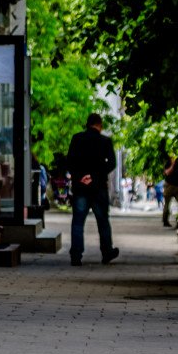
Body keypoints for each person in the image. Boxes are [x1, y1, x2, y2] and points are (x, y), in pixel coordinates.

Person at [66, 113, 119, 266]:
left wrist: (80, 176)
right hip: (98, 188)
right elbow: (112, 163)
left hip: (80, 187)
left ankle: (76, 255)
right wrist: (94, 177)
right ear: (99, 125)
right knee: (102, 221)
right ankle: (107, 252)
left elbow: (69, 161)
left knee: (77, 222)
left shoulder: (77, 139)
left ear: (87, 124)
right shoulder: (105, 141)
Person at [162, 157, 178, 227]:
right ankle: (165, 220)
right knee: (167, 204)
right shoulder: (168, 163)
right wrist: (172, 165)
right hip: (169, 185)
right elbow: (167, 172)